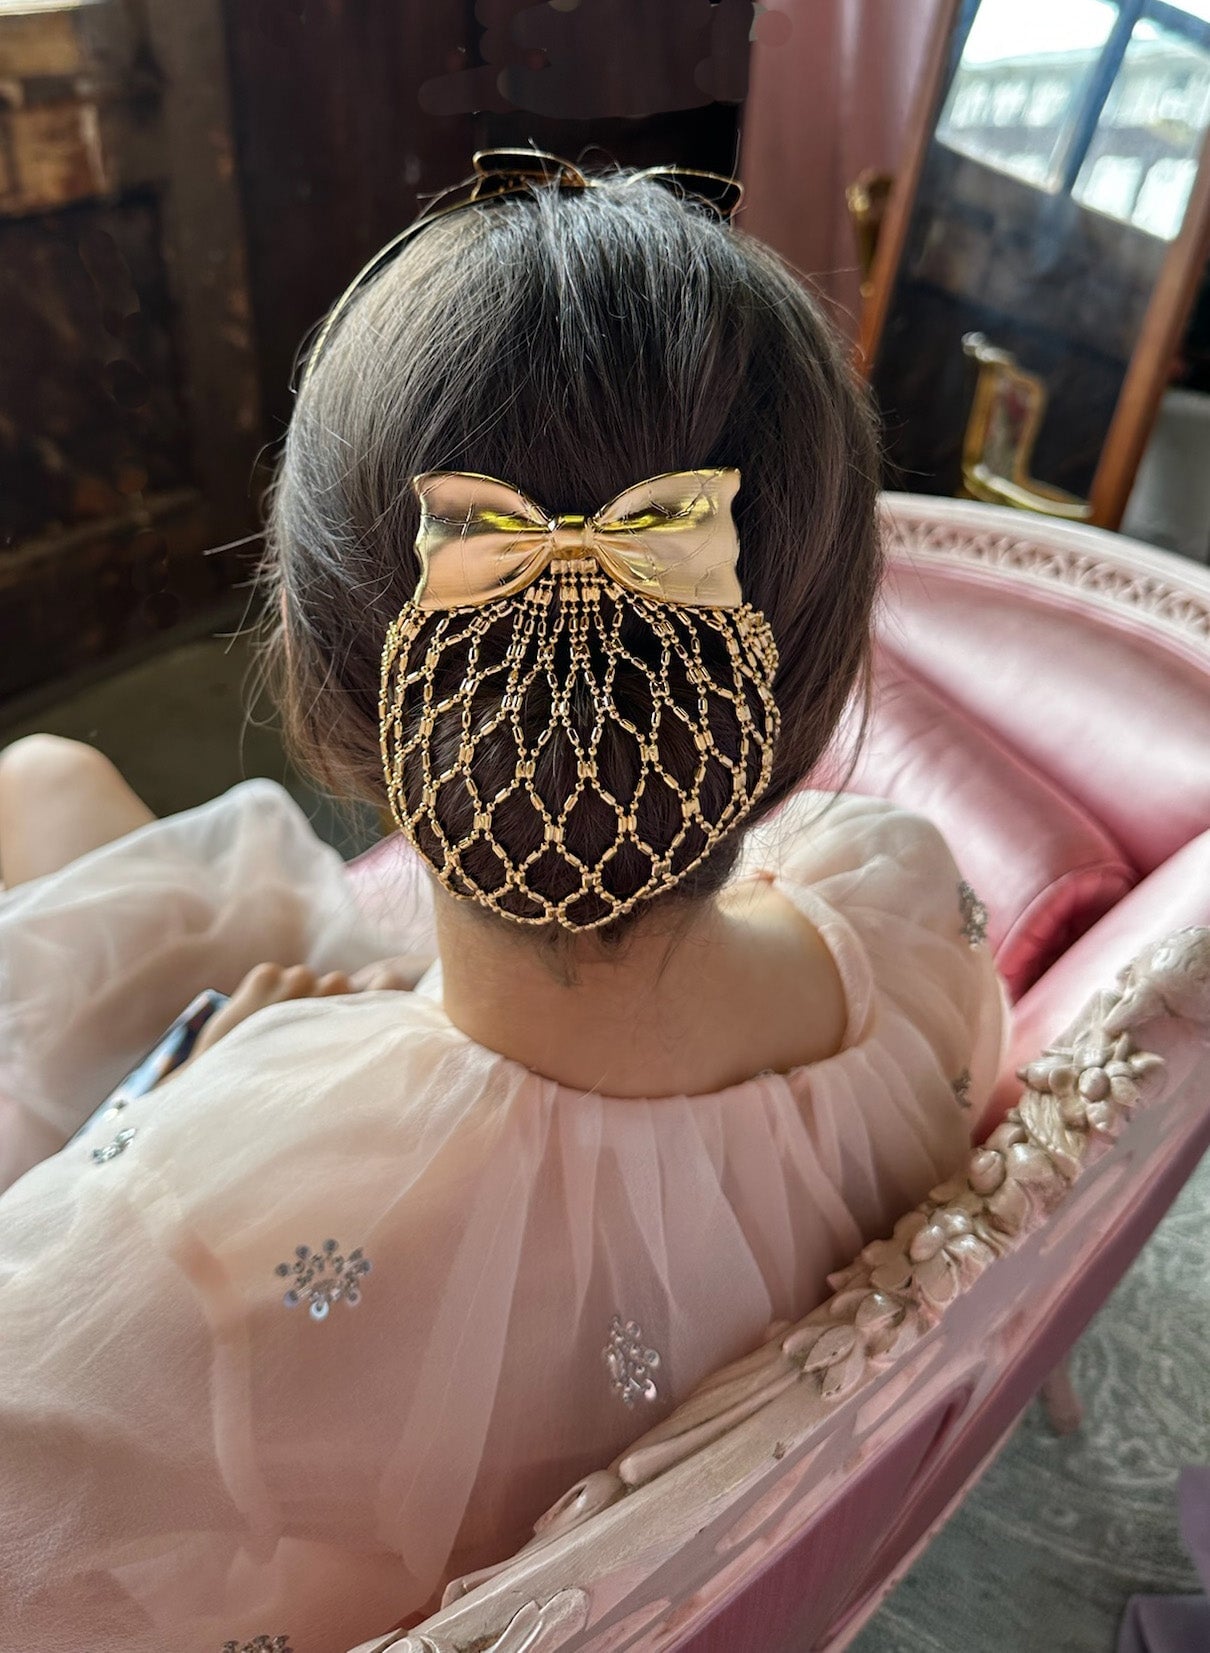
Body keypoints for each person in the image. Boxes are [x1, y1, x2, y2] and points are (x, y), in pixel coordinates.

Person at [0, 155, 1007, 1653]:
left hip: (284, 1219)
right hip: (389, 1108)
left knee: (39, 788)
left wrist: (156, 1111)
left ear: (331, 676)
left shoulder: (188, 1235)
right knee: (53, 794)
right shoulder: (908, 908)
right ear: (796, 686)